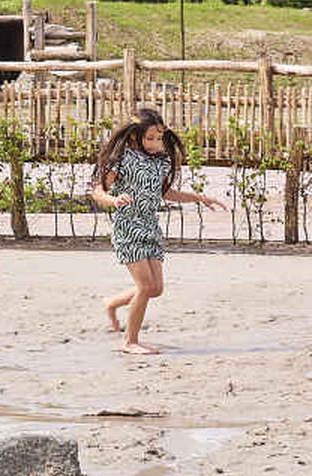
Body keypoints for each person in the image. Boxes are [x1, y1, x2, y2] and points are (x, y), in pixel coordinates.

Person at [84, 103, 219, 357]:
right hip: (128, 227)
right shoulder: (122, 159)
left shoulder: (161, 162)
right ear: (136, 135)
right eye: (150, 138)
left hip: (150, 226)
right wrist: (113, 201)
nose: (156, 142)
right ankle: (129, 341)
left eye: (159, 138)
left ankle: (111, 304)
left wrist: (199, 198)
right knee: (145, 287)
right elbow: (97, 191)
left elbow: (166, 193)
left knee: (156, 289)